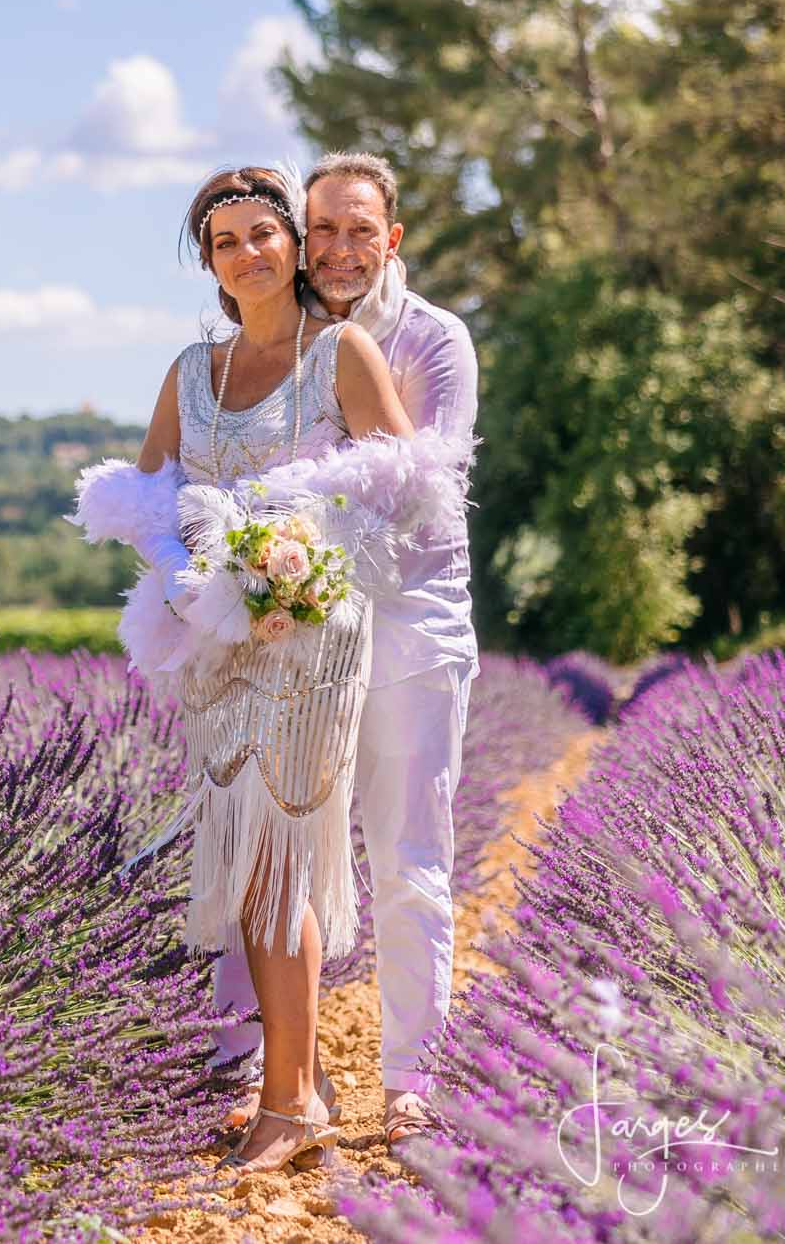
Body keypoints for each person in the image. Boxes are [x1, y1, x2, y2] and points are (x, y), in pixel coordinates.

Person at [74, 164, 427, 1175]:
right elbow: (146, 497)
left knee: (280, 853)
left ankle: (289, 1103)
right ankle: (297, 1085)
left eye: (261, 234)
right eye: (224, 241)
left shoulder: (339, 353)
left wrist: (313, 561)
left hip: (309, 636)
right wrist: (187, 579)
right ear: (208, 261)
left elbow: (402, 484)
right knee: (244, 861)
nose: (246, 253)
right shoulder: (193, 372)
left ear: (292, 246)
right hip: (214, 646)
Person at [208, 151, 481, 1157]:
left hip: (408, 627)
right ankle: (277, 1073)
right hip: (298, 637)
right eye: (319, 228)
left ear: (390, 237)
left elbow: (428, 493)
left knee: (405, 858)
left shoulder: (432, 340)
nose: (336, 248)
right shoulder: (272, 345)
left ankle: (413, 1079)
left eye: (357, 229)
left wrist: (290, 533)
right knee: (276, 855)